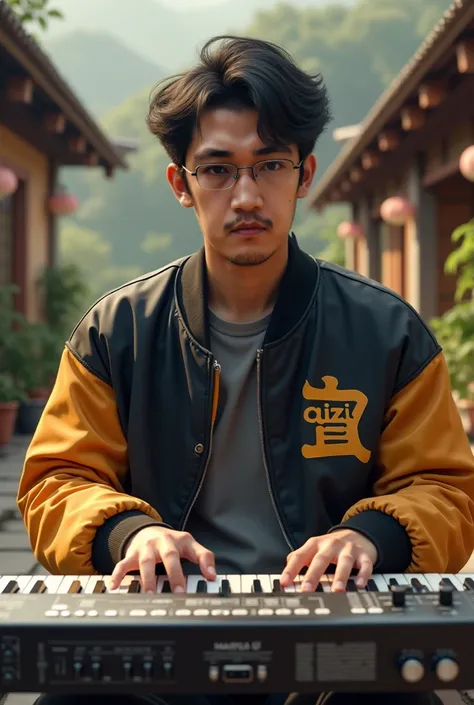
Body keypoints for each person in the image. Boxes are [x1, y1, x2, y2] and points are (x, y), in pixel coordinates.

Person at [17, 35, 474, 705]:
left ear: (306, 175)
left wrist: (366, 534)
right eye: (219, 169)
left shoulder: (386, 332)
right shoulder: (116, 332)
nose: (247, 195)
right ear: (181, 183)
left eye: (270, 165)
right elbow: (57, 479)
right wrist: (131, 532)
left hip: (331, 622)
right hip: (161, 623)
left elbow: (444, 486)